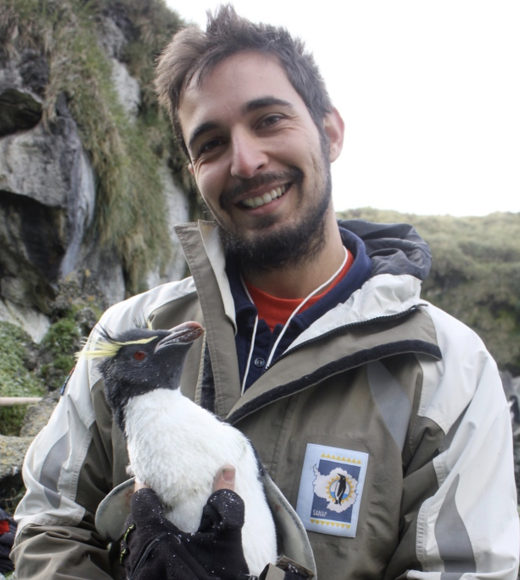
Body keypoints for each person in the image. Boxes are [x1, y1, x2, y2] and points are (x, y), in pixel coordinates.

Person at [11, 5, 519, 579]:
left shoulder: (448, 371)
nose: (246, 161)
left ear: (329, 132)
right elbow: (48, 525)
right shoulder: (126, 336)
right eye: (211, 144)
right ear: (193, 170)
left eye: (270, 120)